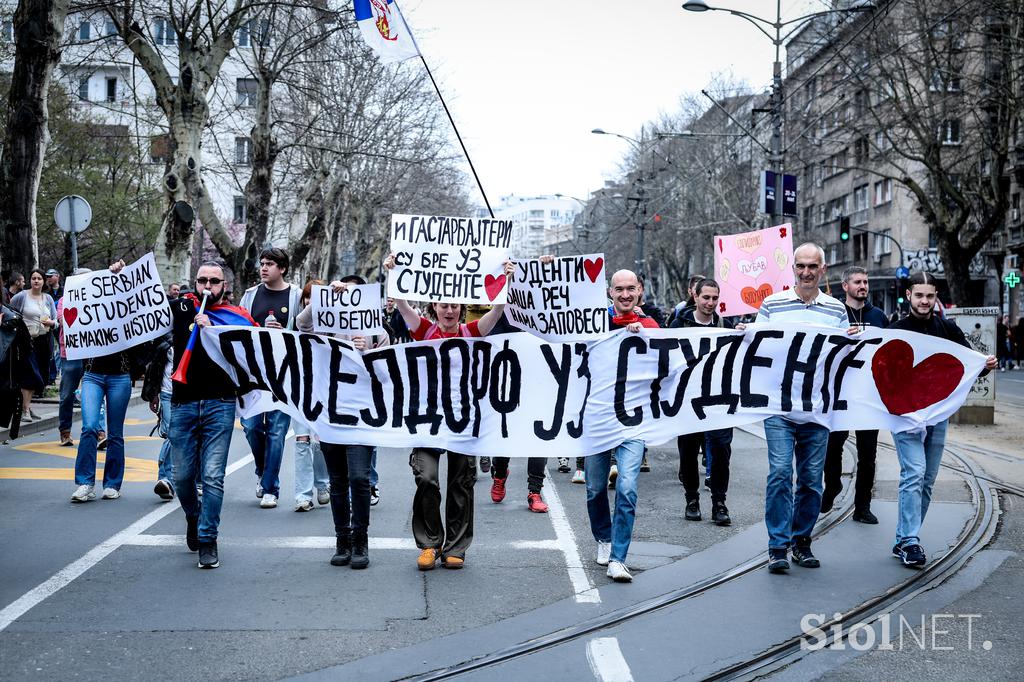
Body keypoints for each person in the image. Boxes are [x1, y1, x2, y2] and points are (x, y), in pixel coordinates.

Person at [384, 253, 515, 570]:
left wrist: (506, 278)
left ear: (461, 308)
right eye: (443, 304)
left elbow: (498, 310)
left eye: (454, 305)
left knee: (461, 482)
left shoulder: (471, 332)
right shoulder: (424, 330)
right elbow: (401, 303)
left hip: (464, 421)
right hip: (427, 421)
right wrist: (392, 270)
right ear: (434, 308)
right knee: (426, 478)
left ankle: (456, 547)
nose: (449, 310)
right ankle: (429, 544)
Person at [751, 243, 856, 574]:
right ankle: (777, 546)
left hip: (818, 410)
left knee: (811, 481)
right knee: (781, 474)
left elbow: (842, 361)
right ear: (792, 269)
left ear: (823, 269)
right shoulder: (772, 304)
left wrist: (851, 342)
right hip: (778, 408)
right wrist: (746, 335)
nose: (806, 272)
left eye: (813, 266)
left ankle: (802, 541)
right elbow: (756, 349)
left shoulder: (837, 310)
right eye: (801, 266)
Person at [888, 272, 997, 566]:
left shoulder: (948, 328)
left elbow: (968, 363)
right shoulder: (895, 329)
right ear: (908, 295)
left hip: (937, 416)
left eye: (930, 296)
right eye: (919, 295)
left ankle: (904, 539)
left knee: (926, 480)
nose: (925, 301)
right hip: (906, 417)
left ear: (936, 297)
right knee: (914, 472)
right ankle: (910, 541)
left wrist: (985, 366)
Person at [296, 275, 389, 568]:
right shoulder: (324, 328)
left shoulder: (378, 333)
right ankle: (343, 539)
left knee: (359, 478)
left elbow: (388, 374)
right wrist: (325, 295)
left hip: (362, 416)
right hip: (331, 414)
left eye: (355, 294)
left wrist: (369, 352)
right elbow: (301, 324)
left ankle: (361, 539)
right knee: (337, 480)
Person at [170, 262, 257, 569]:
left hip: (220, 403)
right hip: (183, 402)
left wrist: (216, 332)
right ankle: (194, 516)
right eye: (202, 280)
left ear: (224, 285)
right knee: (181, 476)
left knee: (212, 476)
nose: (207, 286)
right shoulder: (179, 308)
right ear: (194, 282)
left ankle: (208, 539)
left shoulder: (236, 318)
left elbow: (252, 354)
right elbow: (143, 313)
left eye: (214, 281)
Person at [585, 269, 660, 583]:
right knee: (594, 488)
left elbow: (670, 363)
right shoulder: (592, 323)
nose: (626, 295)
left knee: (627, 488)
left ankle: (618, 557)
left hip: (633, 421)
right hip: (598, 419)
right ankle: (603, 537)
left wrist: (647, 339)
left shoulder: (652, 326)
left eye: (631, 289)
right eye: (619, 289)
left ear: (640, 290)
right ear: (609, 292)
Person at [69, 259, 146, 502]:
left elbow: (134, 298)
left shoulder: (124, 305)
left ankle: (112, 483)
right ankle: (84, 483)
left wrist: (120, 273)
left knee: (115, 433)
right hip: (92, 375)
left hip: (119, 377)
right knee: (89, 427)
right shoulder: (85, 307)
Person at [822, 266, 889, 524]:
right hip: (839, 393)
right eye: (858, 282)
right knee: (832, 447)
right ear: (845, 286)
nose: (863, 286)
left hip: (868, 396)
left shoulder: (879, 316)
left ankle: (863, 506)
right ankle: (832, 486)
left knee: (867, 454)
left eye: (865, 281)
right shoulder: (835, 315)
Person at [238, 247, 303, 508]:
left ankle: (270, 488)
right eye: (262, 264)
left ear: (283, 268)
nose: (264, 268)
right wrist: (257, 329)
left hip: (283, 375)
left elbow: (307, 330)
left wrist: (285, 333)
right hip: (254, 375)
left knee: (276, 432)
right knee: (252, 427)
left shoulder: (296, 295)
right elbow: (239, 330)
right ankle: (262, 471)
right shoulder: (251, 296)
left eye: (270, 264)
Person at [670, 278, 735, 526]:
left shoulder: (725, 326)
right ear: (695, 297)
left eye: (714, 298)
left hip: (718, 401)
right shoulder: (679, 324)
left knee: (720, 451)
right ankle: (692, 499)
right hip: (687, 400)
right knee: (688, 450)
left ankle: (719, 502)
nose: (710, 302)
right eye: (705, 297)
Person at [291, 279, 331, 513]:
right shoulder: (303, 326)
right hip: (301, 391)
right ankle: (303, 495)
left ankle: (323, 483)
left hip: (327, 392)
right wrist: (320, 299)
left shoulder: (337, 327)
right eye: (307, 297)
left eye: (316, 297)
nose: (311, 302)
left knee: (320, 443)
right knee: (301, 442)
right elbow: (302, 319)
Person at [8, 269, 57, 422]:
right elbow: (10, 312)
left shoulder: (47, 298)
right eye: (33, 278)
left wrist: (51, 323)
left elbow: (56, 321)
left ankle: (27, 406)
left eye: (39, 278)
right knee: (30, 374)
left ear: (44, 282)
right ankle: (25, 410)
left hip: (44, 339)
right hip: (27, 341)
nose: (36, 281)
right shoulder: (22, 297)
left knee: (41, 375)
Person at [142, 329, 176, 500]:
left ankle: (197, 479)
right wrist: (154, 393)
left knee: (193, 436)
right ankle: (165, 479)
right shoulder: (166, 337)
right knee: (171, 434)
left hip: (193, 395)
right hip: (168, 393)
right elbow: (156, 366)